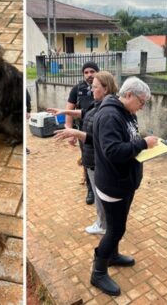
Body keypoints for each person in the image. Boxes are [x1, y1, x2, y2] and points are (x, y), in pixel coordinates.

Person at [90, 77, 159, 296]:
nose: (142, 107)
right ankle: (98, 272)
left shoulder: (126, 113)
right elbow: (113, 151)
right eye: (141, 101)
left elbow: (127, 141)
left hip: (124, 181)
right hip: (113, 184)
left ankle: (113, 255)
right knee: (115, 229)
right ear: (128, 95)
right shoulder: (111, 115)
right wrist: (143, 143)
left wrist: (142, 145)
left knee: (117, 226)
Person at [50, 71, 119, 236]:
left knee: (100, 195)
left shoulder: (108, 110)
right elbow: (84, 113)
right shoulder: (98, 103)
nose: (91, 90)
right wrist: (64, 112)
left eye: (95, 87)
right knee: (98, 193)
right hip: (90, 157)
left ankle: (102, 224)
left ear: (106, 88)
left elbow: (100, 139)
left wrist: (74, 132)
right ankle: (104, 222)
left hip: (98, 160)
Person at [66, 61, 99, 205]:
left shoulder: (104, 87)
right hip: (83, 132)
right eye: (86, 72)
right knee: (88, 160)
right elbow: (69, 109)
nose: (89, 75)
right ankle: (90, 189)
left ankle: (102, 185)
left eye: (92, 71)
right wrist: (70, 131)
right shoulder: (77, 89)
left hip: (102, 131)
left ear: (97, 72)